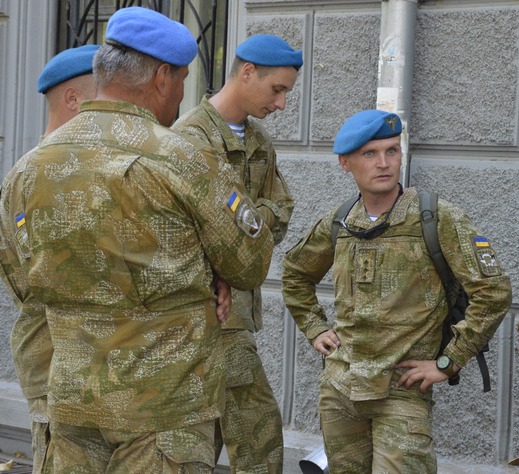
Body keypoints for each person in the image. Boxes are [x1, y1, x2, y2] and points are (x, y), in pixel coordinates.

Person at [0, 7, 274, 473]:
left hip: (73, 406)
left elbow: (22, 281)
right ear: (162, 78)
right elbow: (250, 261)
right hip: (165, 412)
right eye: (184, 80)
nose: (181, 96)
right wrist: (212, 272)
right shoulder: (181, 157)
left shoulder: (27, 169)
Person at [282, 110, 512, 473]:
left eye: (392, 151)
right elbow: (295, 272)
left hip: (401, 393)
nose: (384, 163)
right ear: (346, 162)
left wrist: (448, 361)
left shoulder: (436, 218)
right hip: (341, 391)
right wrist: (313, 327)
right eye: (370, 154)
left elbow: (494, 291)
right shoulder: (340, 222)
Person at [172, 33, 301, 473]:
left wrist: (243, 226)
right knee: (251, 433)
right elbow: (184, 229)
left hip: (238, 311)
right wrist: (244, 230)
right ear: (247, 72)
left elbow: (280, 211)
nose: (281, 103)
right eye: (277, 89)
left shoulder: (259, 141)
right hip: (205, 311)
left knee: (215, 437)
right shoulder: (190, 138)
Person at [0, 43, 98, 474]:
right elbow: (31, 283)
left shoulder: (85, 170)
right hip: (59, 368)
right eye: (105, 97)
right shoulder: (35, 177)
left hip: (98, 373)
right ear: (73, 99)